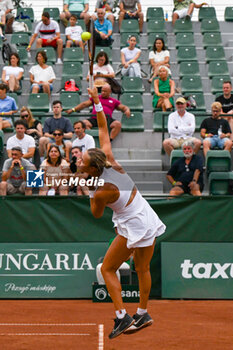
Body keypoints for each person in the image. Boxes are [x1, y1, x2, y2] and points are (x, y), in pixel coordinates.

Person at [78, 86, 166, 338]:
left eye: (83, 162)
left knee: (107, 268)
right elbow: (103, 128)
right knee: (143, 269)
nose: (80, 162)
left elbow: (96, 215)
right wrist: (96, 101)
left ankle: (122, 317)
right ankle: (142, 312)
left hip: (133, 223)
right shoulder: (108, 158)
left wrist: (89, 191)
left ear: (93, 169)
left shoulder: (102, 190)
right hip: (146, 214)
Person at [66, 83, 131, 141]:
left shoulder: (113, 101)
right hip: (95, 119)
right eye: (102, 91)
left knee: (117, 124)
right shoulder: (96, 98)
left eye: (105, 91)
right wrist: (73, 109)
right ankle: (92, 138)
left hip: (107, 120)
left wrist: (127, 109)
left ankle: (109, 140)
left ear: (110, 92)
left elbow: (123, 107)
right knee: (84, 123)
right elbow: (84, 104)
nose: (103, 92)